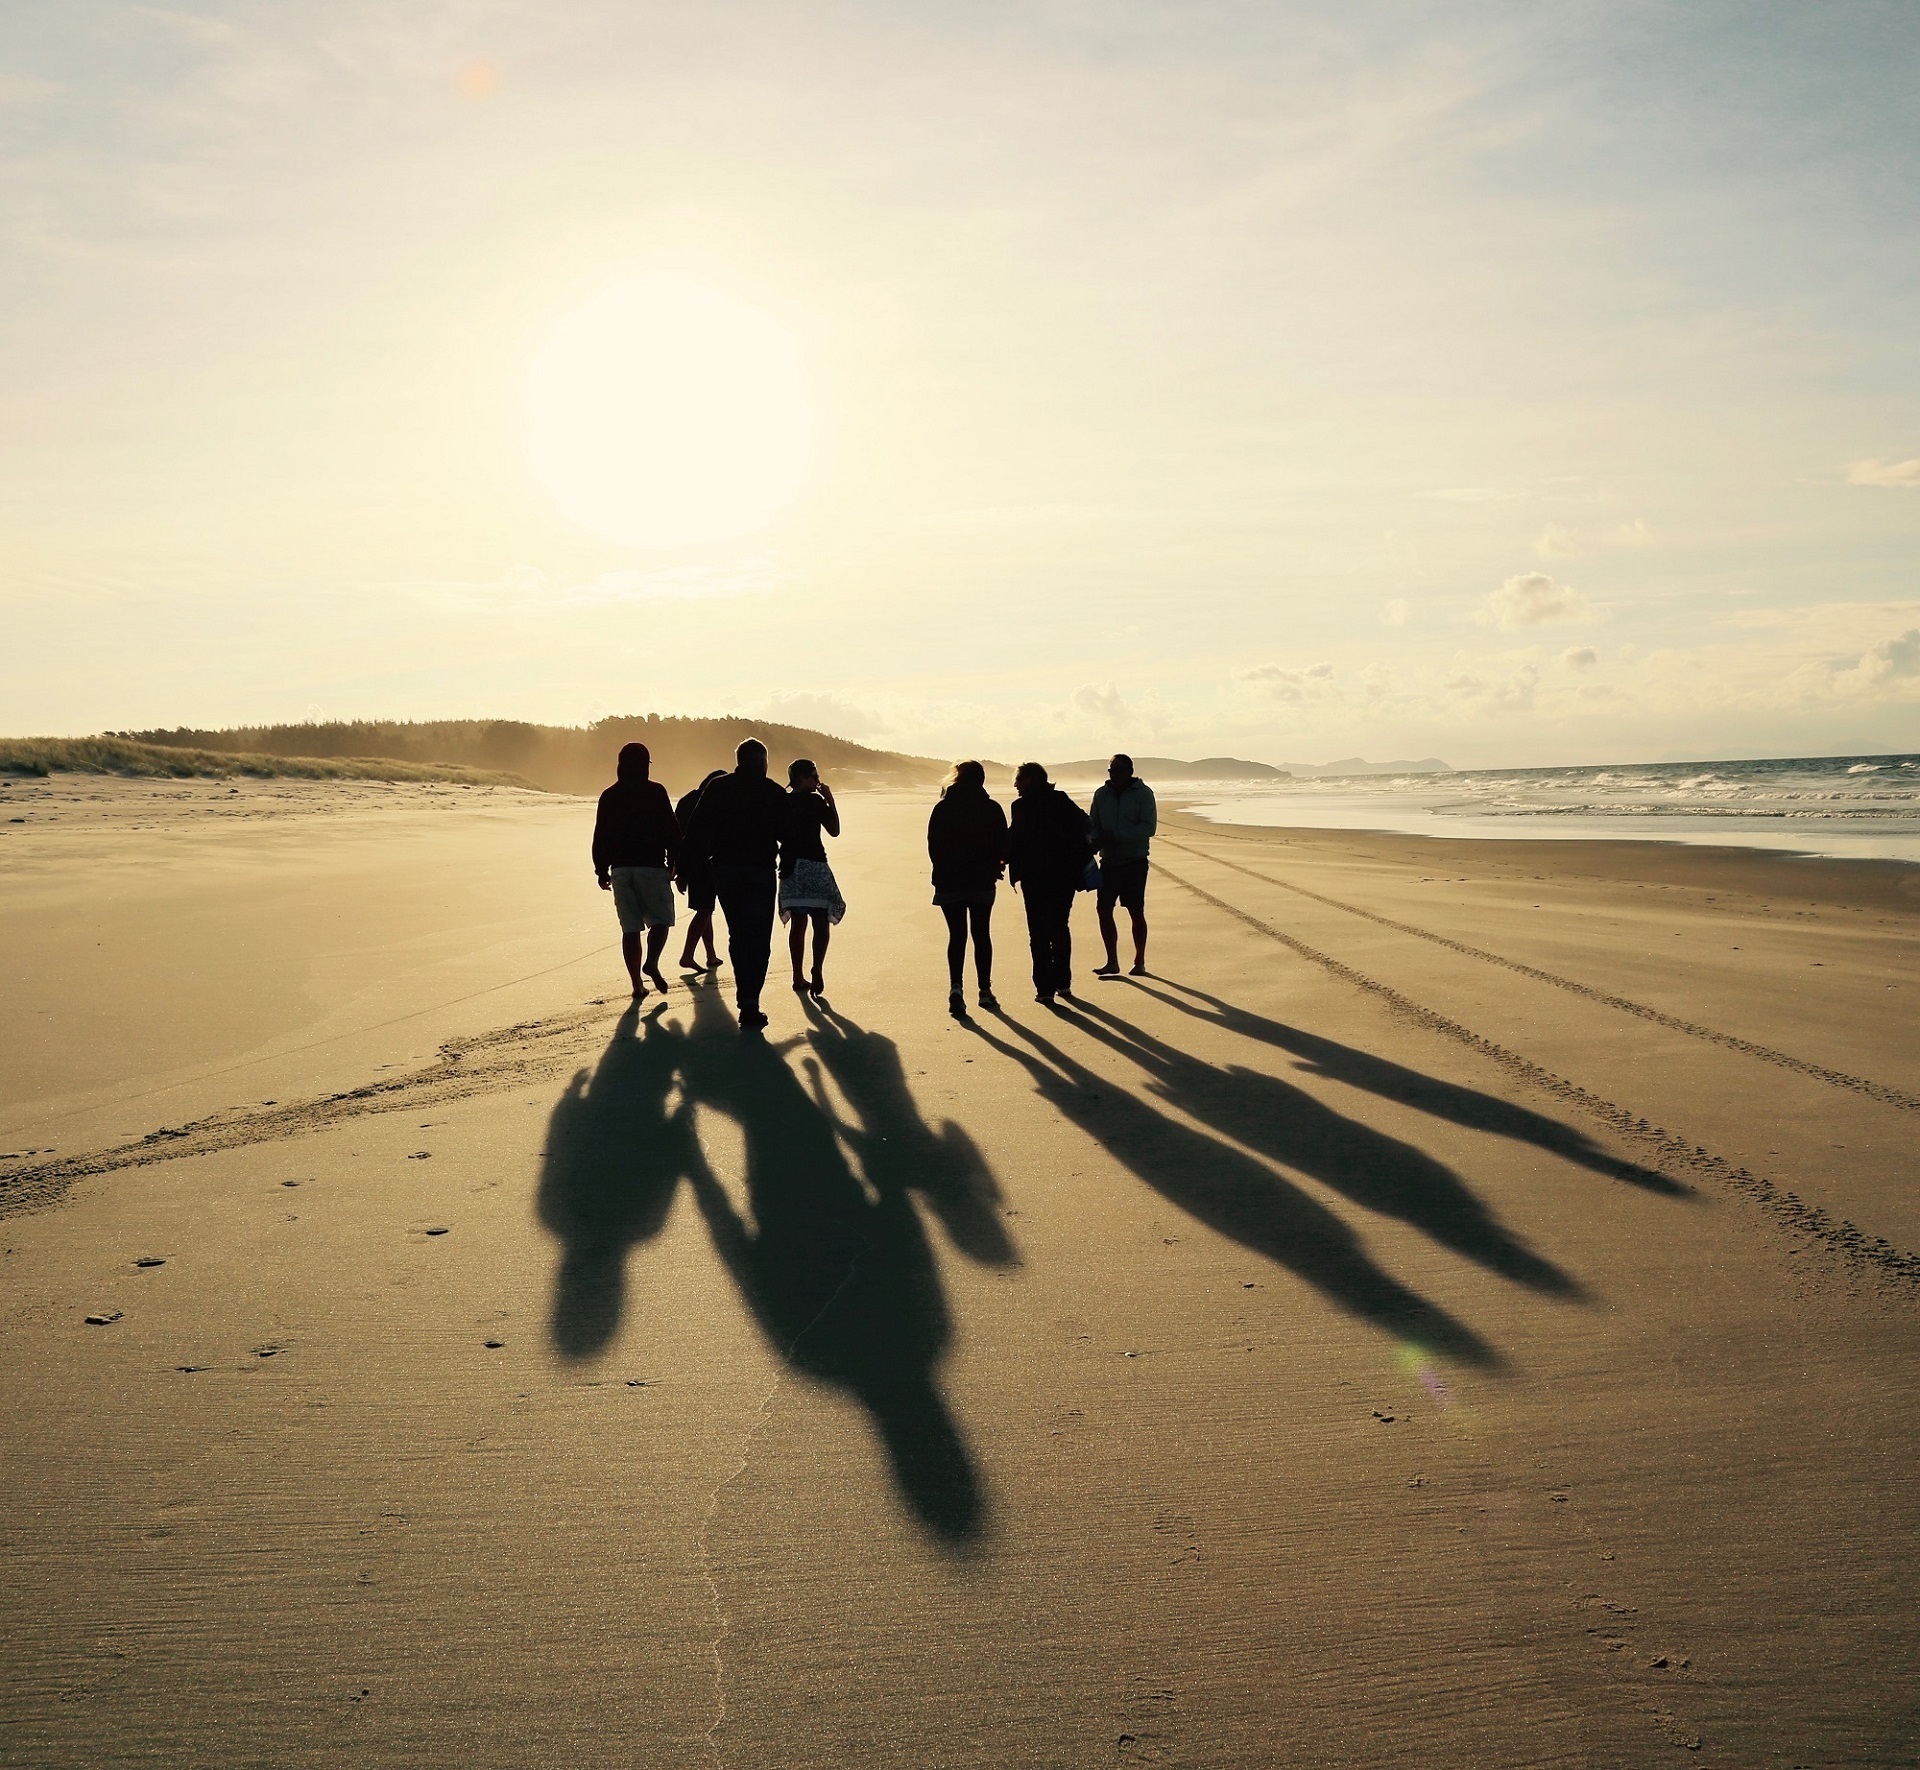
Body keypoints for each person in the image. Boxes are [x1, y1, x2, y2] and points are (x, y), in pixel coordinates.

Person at [680, 738, 792, 1030]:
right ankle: (749, 1002)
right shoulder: (773, 791)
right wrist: (789, 869)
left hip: (725, 871)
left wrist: (686, 868)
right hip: (760, 872)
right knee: (758, 940)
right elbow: (789, 836)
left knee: (738, 935)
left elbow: (696, 830)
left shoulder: (719, 788)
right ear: (763, 761)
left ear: (739, 760)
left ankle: (747, 1000)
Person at [591, 741, 680, 1000]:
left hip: (620, 869)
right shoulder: (655, 792)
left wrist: (600, 869)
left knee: (630, 929)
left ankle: (636, 985)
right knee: (661, 920)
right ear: (645, 766)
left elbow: (601, 836)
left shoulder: (609, 795)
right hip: (651, 867)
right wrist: (674, 860)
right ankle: (651, 961)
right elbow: (671, 829)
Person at [927, 760, 1008, 1017]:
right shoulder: (991, 808)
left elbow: (934, 846)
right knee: (981, 934)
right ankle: (984, 991)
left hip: (949, 881)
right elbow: (1002, 844)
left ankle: (956, 989)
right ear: (981, 780)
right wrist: (997, 865)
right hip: (982, 880)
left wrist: (942, 870)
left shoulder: (943, 808)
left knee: (957, 935)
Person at [1006, 761, 1091, 1005]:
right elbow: (1086, 824)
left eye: (1019, 779)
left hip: (1034, 877)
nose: (1015, 784)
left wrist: (1001, 858)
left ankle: (1044, 988)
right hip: (1064, 875)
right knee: (1060, 926)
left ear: (1031, 780)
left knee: (1038, 931)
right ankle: (1063, 982)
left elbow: (1015, 838)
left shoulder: (1021, 806)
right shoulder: (1061, 800)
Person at [778, 758, 844, 996]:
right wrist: (830, 800)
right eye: (815, 777)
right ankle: (817, 967)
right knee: (821, 921)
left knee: (798, 924)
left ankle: (797, 976)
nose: (818, 781)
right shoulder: (815, 801)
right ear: (803, 778)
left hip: (791, 867)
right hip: (815, 864)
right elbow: (834, 830)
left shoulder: (783, 802)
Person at [1088, 752, 1157, 977]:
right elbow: (1093, 824)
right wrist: (1095, 840)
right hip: (1108, 861)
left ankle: (1140, 960)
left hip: (1134, 862)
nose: (1114, 774)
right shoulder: (1101, 794)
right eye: (1111, 770)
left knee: (1136, 912)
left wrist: (1116, 836)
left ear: (1129, 772)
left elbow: (1148, 828)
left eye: (1118, 770)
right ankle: (1112, 961)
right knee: (1103, 909)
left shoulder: (1144, 794)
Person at [674, 768, 726, 974]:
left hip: (689, 862)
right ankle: (687, 955)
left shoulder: (687, 800)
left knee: (705, 909)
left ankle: (711, 955)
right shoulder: (712, 803)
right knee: (704, 910)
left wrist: (679, 868)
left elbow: (678, 837)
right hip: (705, 862)